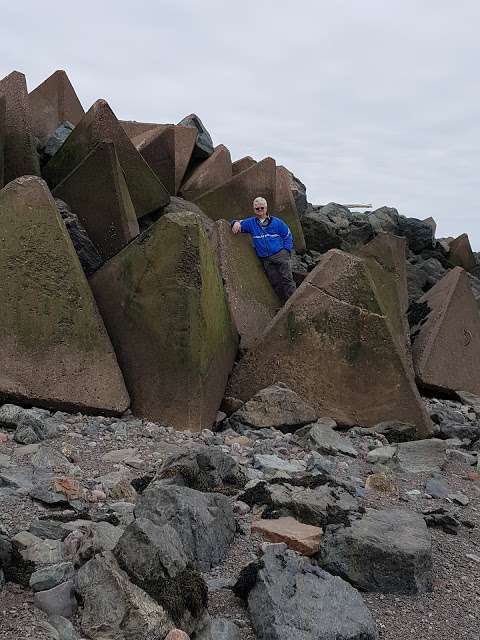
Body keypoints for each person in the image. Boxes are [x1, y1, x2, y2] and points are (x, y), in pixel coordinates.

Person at [231, 196, 296, 303]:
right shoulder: (251, 223)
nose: (260, 210)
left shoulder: (277, 222)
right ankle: (284, 305)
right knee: (275, 282)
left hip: (280, 255)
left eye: (262, 208)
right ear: (254, 209)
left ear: (266, 208)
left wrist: (286, 251)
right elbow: (237, 223)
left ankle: (293, 305)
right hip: (265, 259)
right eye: (257, 208)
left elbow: (287, 235)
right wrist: (235, 223)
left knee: (287, 280)